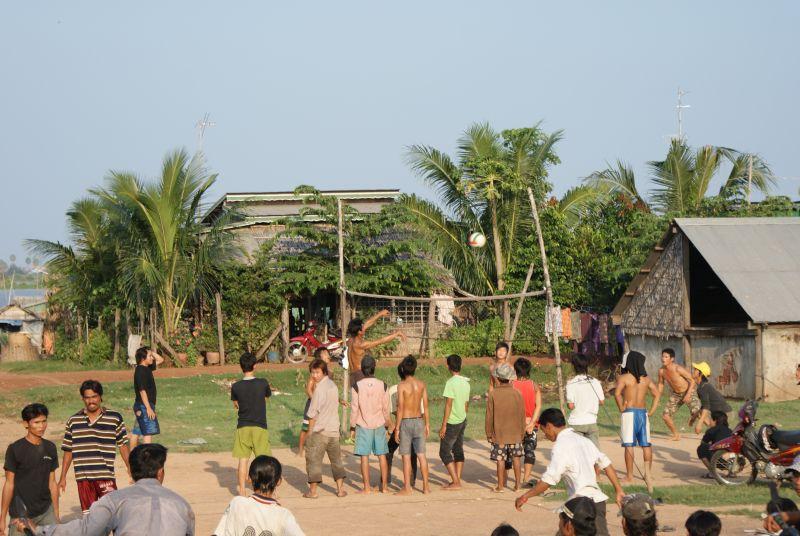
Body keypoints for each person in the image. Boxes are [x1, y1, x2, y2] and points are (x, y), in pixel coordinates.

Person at [16, 444, 195, 536]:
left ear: (131, 471)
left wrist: (40, 530)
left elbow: (85, 530)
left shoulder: (115, 500)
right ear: (161, 472)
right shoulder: (183, 505)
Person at [515, 408, 625, 536]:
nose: (545, 435)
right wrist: (618, 490)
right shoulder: (584, 440)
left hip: (578, 506)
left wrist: (525, 496)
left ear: (549, 426)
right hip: (598, 502)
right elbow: (606, 464)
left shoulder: (560, 446)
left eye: (544, 431)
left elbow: (549, 480)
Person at [58, 380, 131, 514]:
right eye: (87, 397)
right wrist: (63, 477)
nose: (91, 401)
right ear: (83, 399)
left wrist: (130, 467)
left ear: (100, 397)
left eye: (94, 397)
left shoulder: (114, 418)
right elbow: (68, 451)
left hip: (106, 476)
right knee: (90, 519)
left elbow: (123, 446)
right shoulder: (73, 421)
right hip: (84, 480)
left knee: (112, 515)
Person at [1, 404, 59, 536]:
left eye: (44, 421)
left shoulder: (50, 447)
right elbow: (9, 484)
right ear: (25, 424)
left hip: (46, 512)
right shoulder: (15, 449)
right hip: (21, 516)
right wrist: (2, 518)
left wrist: (56, 513)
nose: (41, 426)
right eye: (36, 422)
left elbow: (52, 483)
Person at [213, 455, 304, 536]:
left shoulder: (237, 503)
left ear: (249, 479)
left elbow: (218, 533)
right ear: (279, 481)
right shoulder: (284, 515)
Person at [613, 351, 659, 493]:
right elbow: (657, 394)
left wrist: (621, 406)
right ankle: (648, 474)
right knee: (646, 444)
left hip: (630, 413)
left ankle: (630, 476)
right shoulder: (646, 380)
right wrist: (651, 411)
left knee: (629, 445)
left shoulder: (625, 378)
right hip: (643, 413)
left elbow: (616, 393)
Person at [231, 352, 273, 496]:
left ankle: (242, 490)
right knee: (263, 460)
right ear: (254, 366)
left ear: (241, 367)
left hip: (243, 426)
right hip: (259, 426)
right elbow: (267, 398)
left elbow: (236, 404)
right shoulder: (263, 383)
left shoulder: (236, 386)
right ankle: (265, 489)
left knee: (243, 460)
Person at [303, 359, 347, 498]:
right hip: (333, 430)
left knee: (314, 461)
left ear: (324, 372)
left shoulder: (320, 389)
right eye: (313, 372)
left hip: (319, 431)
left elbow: (313, 413)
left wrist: (309, 432)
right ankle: (340, 490)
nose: (314, 375)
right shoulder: (333, 386)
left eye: (317, 372)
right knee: (336, 461)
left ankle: (313, 491)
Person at [350, 356, 391, 494]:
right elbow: (386, 408)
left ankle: (366, 487)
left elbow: (354, 408)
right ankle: (384, 487)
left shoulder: (356, 386)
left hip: (363, 425)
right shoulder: (383, 385)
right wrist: (387, 424)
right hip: (379, 424)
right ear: (374, 367)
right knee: (382, 456)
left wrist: (352, 426)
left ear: (362, 369)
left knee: (364, 457)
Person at [394, 355, 431, 495]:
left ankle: (407, 488)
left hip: (406, 421)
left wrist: (397, 428)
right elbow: (426, 407)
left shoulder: (402, 386)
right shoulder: (421, 384)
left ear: (403, 369)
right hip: (419, 420)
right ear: (415, 368)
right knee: (422, 455)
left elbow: (400, 408)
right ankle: (426, 487)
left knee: (406, 456)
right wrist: (427, 424)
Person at [486, 363, 525, 493]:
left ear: (498, 378)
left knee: (500, 459)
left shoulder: (493, 394)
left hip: (499, 433)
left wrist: (488, 433)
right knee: (516, 458)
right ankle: (518, 485)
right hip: (515, 433)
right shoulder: (517, 393)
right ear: (510, 378)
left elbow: (489, 416)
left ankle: (500, 486)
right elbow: (521, 415)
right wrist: (522, 431)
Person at [345, 310, 404, 386]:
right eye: (362, 327)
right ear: (359, 332)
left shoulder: (350, 340)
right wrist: (396, 334)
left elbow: (368, 323)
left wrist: (380, 314)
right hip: (360, 376)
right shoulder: (360, 344)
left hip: (352, 376)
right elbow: (381, 341)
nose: (364, 327)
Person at [439, 354, 470, 490]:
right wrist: (463, 416)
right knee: (458, 449)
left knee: (444, 452)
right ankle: (456, 480)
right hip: (463, 420)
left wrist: (444, 425)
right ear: (460, 366)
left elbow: (448, 405)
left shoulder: (450, 383)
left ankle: (456, 481)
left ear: (448, 366)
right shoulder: (465, 382)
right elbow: (466, 404)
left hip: (453, 422)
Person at [656, 348, 700, 441]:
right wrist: (658, 398)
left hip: (689, 391)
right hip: (676, 394)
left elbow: (693, 381)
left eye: (666, 357)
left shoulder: (678, 368)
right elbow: (660, 384)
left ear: (672, 359)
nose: (663, 358)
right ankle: (676, 435)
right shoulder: (661, 371)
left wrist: (688, 395)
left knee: (698, 413)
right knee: (665, 415)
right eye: (662, 356)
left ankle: (714, 428)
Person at [387, 362, 418, 488]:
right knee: (413, 454)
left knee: (388, 450)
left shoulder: (395, 389)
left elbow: (394, 410)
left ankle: (386, 477)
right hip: (416, 424)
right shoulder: (419, 386)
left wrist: (394, 426)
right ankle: (412, 481)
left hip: (401, 425)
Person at [298, 347, 333, 457]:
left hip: (324, 405)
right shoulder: (315, 373)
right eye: (325, 354)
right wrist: (315, 401)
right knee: (306, 428)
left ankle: (323, 450)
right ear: (320, 358)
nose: (328, 355)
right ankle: (300, 451)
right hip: (312, 404)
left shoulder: (330, 373)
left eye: (328, 353)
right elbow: (308, 389)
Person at [511, 357, 541, 487]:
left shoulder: (511, 385)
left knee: (514, 453)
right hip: (531, 425)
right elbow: (538, 405)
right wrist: (532, 423)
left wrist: (522, 422)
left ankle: (513, 481)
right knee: (529, 451)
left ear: (515, 370)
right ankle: (525, 479)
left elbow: (510, 407)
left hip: (515, 425)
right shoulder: (534, 385)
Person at [566, 353, 604, 448]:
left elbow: (571, 406)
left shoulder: (571, 383)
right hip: (591, 422)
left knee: (578, 453)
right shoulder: (595, 382)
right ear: (587, 365)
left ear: (573, 366)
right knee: (594, 453)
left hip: (576, 423)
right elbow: (601, 402)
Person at [130, 346, 164, 449]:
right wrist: (148, 408)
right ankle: (147, 456)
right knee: (148, 432)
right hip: (144, 405)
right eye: (149, 356)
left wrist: (151, 352)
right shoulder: (140, 371)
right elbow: (142, 391)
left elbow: (161, 360)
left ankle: (132, 454)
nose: (152, 358)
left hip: (142, 406)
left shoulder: (147, 368)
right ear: (143, 359)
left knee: (137, 431)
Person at [689, 362, 731, 435]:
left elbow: (706, 407)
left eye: (696, 369)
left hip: (723, 414)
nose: (693, 370)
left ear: (701, 374)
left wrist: (699, 423)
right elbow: (704, 405)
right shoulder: (702, 386)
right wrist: (694, 417)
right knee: (713, 433)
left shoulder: (703, 387)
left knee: (716, 436)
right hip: (720, 413)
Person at [696, 411, 732, 477]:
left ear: (715, 420)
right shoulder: (730, 430)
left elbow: (703, 443)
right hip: (732, 461)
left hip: (720, 460)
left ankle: (713, 473)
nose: (709, 421)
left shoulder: (712, 430)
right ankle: (731, 472)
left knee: (701, 448)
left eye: (710, 419)